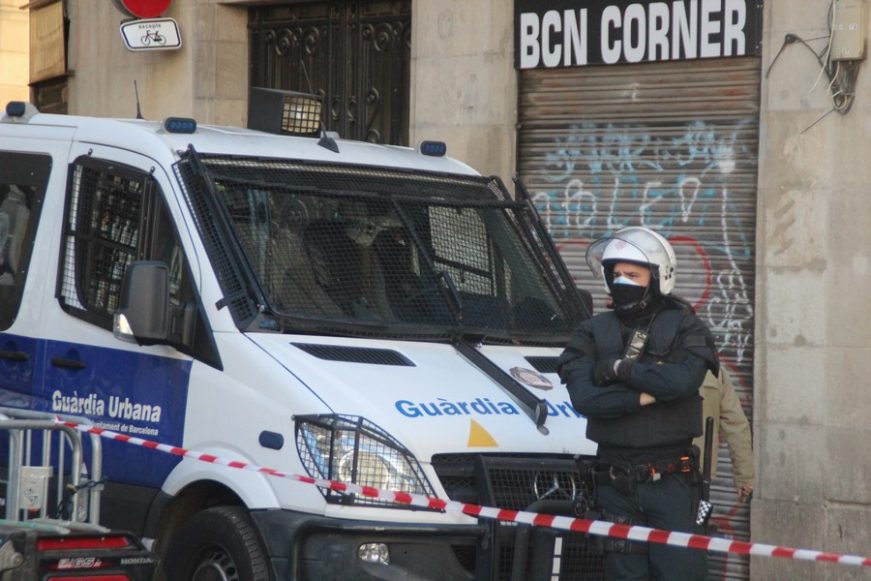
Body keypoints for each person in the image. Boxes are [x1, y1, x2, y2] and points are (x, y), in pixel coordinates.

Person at [556, 226, 719, 581]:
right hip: (615, 486)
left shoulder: (686, 328)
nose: (622, 281)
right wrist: (644, 394)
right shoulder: (591, 331)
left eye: (633, 274)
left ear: (658, 276)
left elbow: (682, 381)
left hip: (672, 484)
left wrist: (619, 368)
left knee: (682, 574)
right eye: (615, 274)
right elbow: (585, 398)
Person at [695, 368, 755, 502]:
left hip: (654, 471)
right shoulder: (713, 371)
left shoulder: (649, 367)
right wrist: (745, 478)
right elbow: (736, 425)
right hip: (696, 471)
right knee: (691, 519)